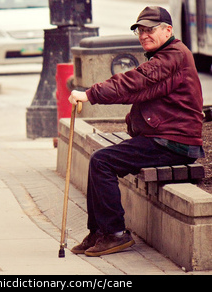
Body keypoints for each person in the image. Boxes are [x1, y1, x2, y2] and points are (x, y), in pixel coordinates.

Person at [68, 6, 205, 257]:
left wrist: (89, 94)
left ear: (168, 30)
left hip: (174, 143)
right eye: (140, 30)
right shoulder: (166, 55)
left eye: (150, 29)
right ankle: (99, 231)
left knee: (102, 161)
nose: (144, 35)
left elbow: (134, 82)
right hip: (164, 138)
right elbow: (140, 92)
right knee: (100, 160)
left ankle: (115, 234)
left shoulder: (173, 56)